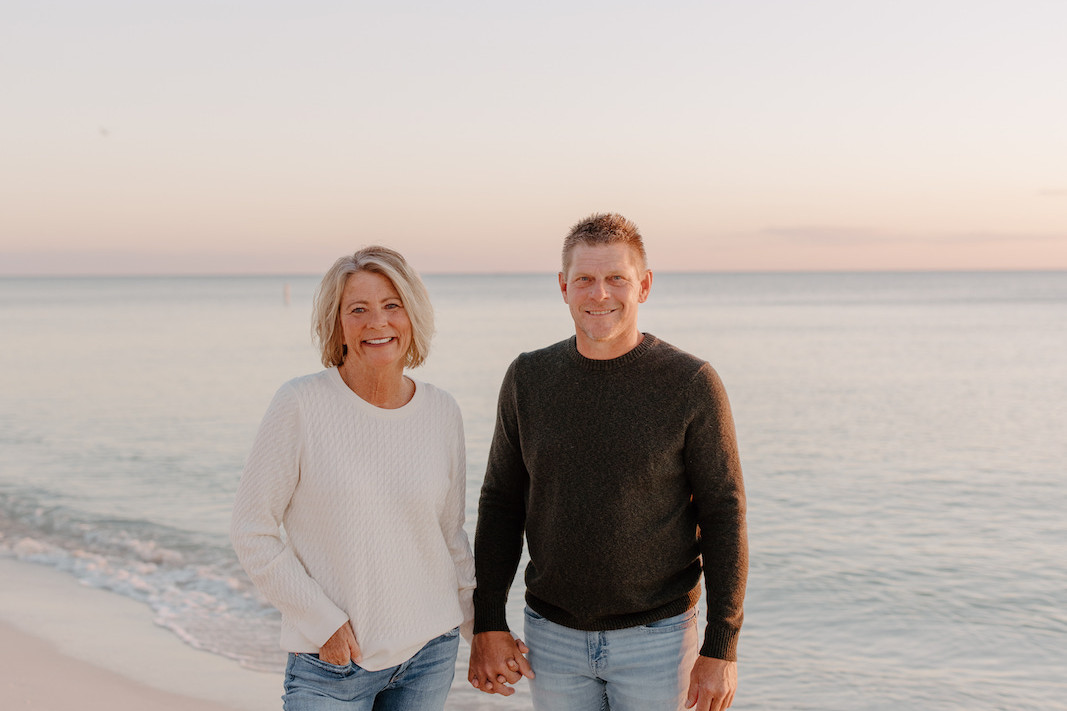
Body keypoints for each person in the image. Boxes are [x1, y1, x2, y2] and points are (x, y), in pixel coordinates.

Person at [467, 214, 748, 711]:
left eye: (617, 278)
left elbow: (723, 515)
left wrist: (721, 647)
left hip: (658, 641)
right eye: (585, 280)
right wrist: (489, 620)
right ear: (563, 287)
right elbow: (501, 504)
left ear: (644, 285)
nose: (600, 294)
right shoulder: (528, 378)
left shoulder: (691, 383)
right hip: (551, 639)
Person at [231, 246, 475, 711]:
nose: (377, 323)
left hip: (429, 653)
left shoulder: (443, 410)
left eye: (391, 306)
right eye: (357, 309)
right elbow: (252, 530)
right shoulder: (300, 404)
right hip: (333, 663)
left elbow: (450, 536)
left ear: (412, 315)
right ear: (337, 323)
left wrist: (477, 630)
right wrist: (323, 623)